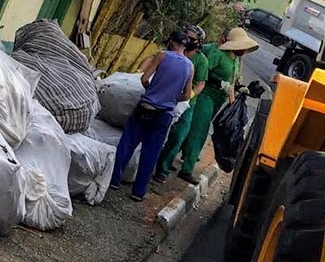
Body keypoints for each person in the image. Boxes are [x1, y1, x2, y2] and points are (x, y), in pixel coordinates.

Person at [109, 30, 194, 201]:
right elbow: (186, 95)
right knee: (150, 153)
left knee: (127, 144)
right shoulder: (190, 66)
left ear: (171, 42)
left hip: (145, 107)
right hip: (164, 114)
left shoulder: (162, 56)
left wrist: (152, 90)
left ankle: (114, 180)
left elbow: (144, 78)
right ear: (185, 46)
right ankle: (138, 192)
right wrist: (171, 97)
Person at [176, 27, 258, 179]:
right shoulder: (218, 54)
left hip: (218, 101)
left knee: (192, 130)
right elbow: (203, 73)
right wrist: (220, 83)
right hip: (205, 97)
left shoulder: (235, 60)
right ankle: (187, 169)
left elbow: (232, 82)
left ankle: (176, 155)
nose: (244, 50)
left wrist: (243, 89)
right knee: (199, 132)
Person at [153, 25, 209, 185]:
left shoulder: (201, 61)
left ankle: (162, 169)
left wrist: (189, 95)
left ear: (199, 43)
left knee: (177, 136)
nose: (188, 41)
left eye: (192, 39)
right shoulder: (173, 53)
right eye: (186, 37)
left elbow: (200, 84)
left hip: (186, 105)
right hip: (165, 97)